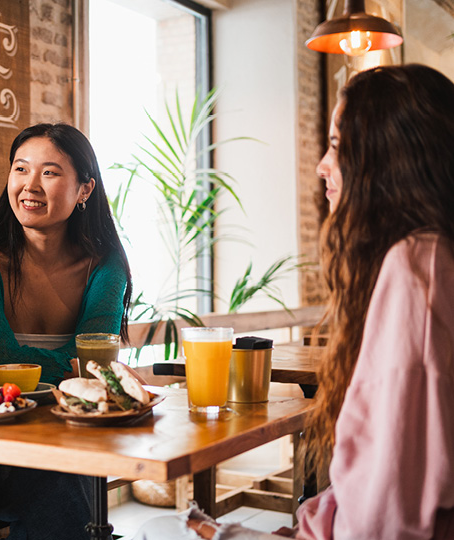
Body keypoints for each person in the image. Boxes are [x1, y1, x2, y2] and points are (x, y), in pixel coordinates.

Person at [133, 63, 454, 539]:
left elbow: (389, 514)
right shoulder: (430, 257)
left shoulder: (417, 268)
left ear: (389, 160)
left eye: (338, 146)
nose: (323, 165)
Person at [0, 123, 133, 539]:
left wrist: (59, 369)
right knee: (63, 486)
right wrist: (70, 370)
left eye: (50, 172)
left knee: (63, 479)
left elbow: (95, 365)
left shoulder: (105, 266)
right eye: (20, 169)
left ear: (85, 190)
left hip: (74, 446)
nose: (30, 185)